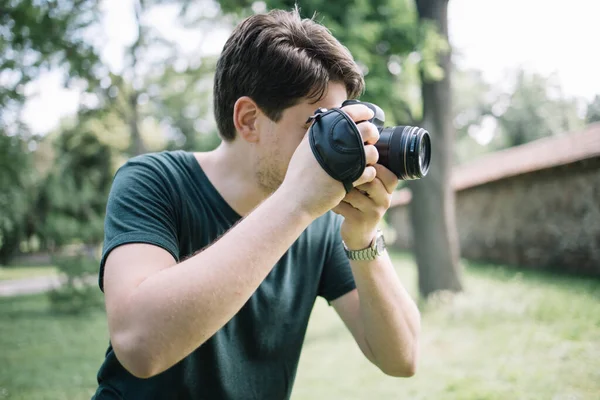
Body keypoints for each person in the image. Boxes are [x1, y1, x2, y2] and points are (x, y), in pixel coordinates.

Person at [92, 7, 420, 400]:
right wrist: (295, 204)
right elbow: (139, 346)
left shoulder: (320, 217)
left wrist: (363, 236)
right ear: (248, 120)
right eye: (321, 124)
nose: (338, 144)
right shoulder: (154, 180)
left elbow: (402, 358)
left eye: (345, 122)